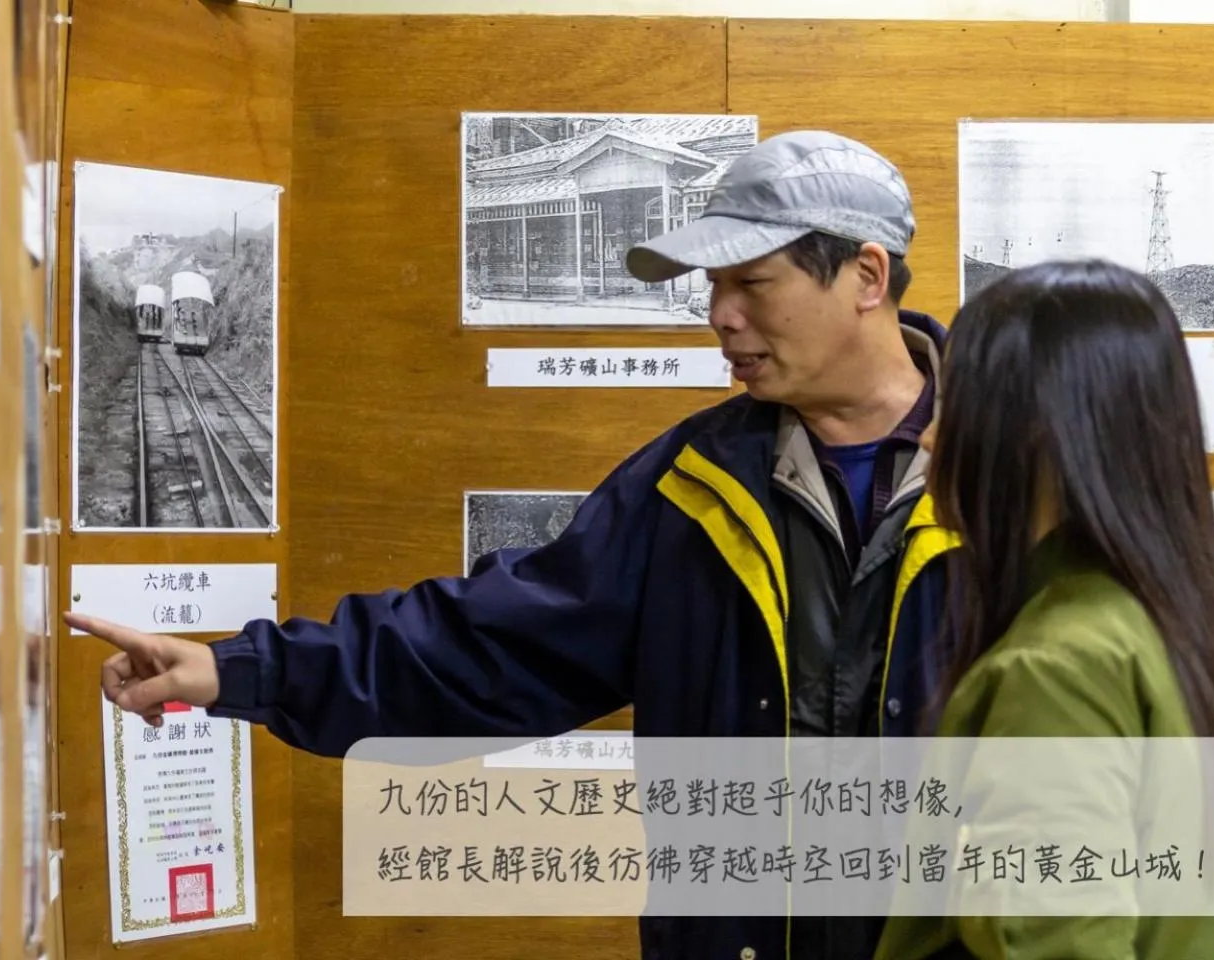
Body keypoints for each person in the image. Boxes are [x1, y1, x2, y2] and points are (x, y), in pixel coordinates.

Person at [66, 130, 960, 960]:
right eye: (712, 285)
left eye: (751, 283)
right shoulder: (694, 485)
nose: (718, 314)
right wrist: (241, 672)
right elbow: (489, 642)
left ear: (866, 275)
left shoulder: (1016, 482)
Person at [874, 258, 1214, 960]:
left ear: (1033, 430)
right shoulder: (1159, 625)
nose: (930, 438)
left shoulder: (1059, 665)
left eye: (953, 406)